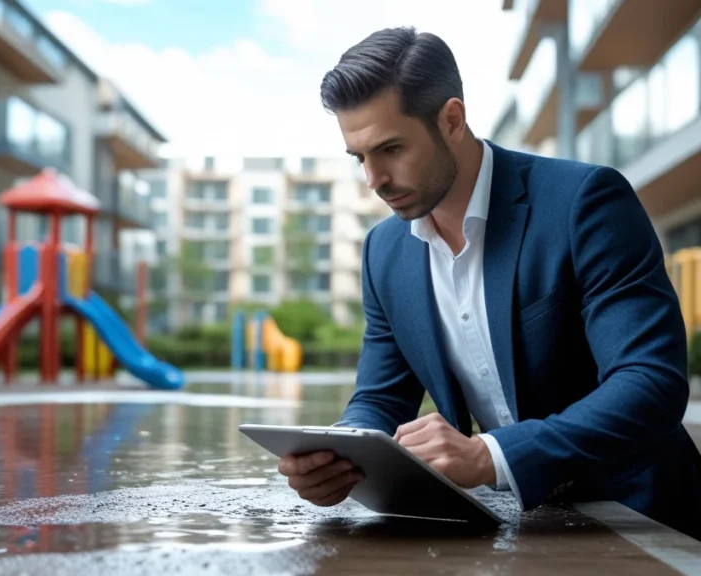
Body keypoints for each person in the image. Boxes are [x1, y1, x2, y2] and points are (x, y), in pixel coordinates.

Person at [278, 26, 701, 539]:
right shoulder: (384, 251)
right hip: (519, 523)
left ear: (451, 120)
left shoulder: (583, 203)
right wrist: (342, 451)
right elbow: (381, 397)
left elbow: (650, 382)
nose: (374, 179)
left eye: (390, 149)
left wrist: (490, 454)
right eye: (360, 157)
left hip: (644, 517)